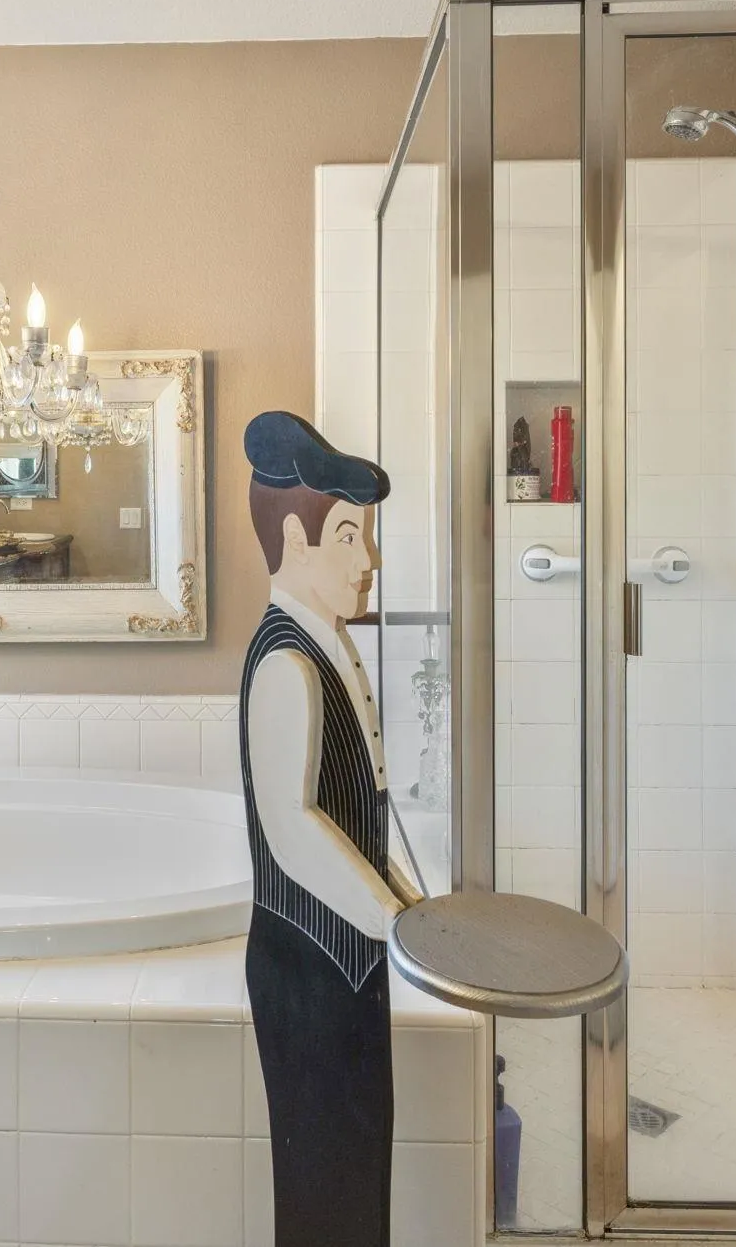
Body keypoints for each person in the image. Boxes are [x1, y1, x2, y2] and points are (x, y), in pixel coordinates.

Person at [239, 411, 424, 1247]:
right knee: (328, 1182)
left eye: (367, 537)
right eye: (349, 536)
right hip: (307, 971)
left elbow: (352, 812)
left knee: (355, 1163)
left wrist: (403, 903)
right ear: (293, 539)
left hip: (342, 962)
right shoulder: (286, 661)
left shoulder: (323, 645)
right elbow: (292, 829)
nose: (368, 559)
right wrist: (393, 920)